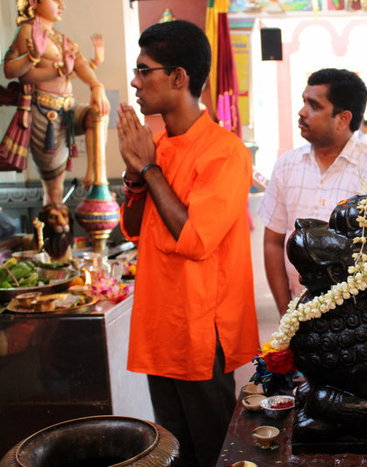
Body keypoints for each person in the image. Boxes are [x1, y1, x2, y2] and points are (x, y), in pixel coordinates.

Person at [117, 20, 258, 466]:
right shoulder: (156, 144)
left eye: (145, 71)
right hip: (160, 325)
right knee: (172, 452)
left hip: (201, 331)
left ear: (178, 77)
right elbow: (136, 228)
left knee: (213, 451)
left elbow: (195, 238)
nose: (136, 83)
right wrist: (139, 177)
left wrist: (150, 170)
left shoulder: (225, 151)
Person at [258, 68, 367, 315]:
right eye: (304, 101)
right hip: (297, 312)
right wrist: (287, 314)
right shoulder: (287, 166)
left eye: (314, 105)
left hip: (356, 319)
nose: (302, 111)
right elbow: (273, 242)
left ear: (343, 119)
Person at [2, 0, 110, 204]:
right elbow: (16, 73)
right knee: (54, 190)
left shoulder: (61, 39)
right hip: (45, 114)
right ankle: (52, 231)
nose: (62, 5)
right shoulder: (27, 30)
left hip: (68, 108)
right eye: (55, 0)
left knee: (98, 114)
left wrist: (96, 85)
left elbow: (78, 64)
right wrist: (38, 59)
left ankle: (94, 176)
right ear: (34, 2)